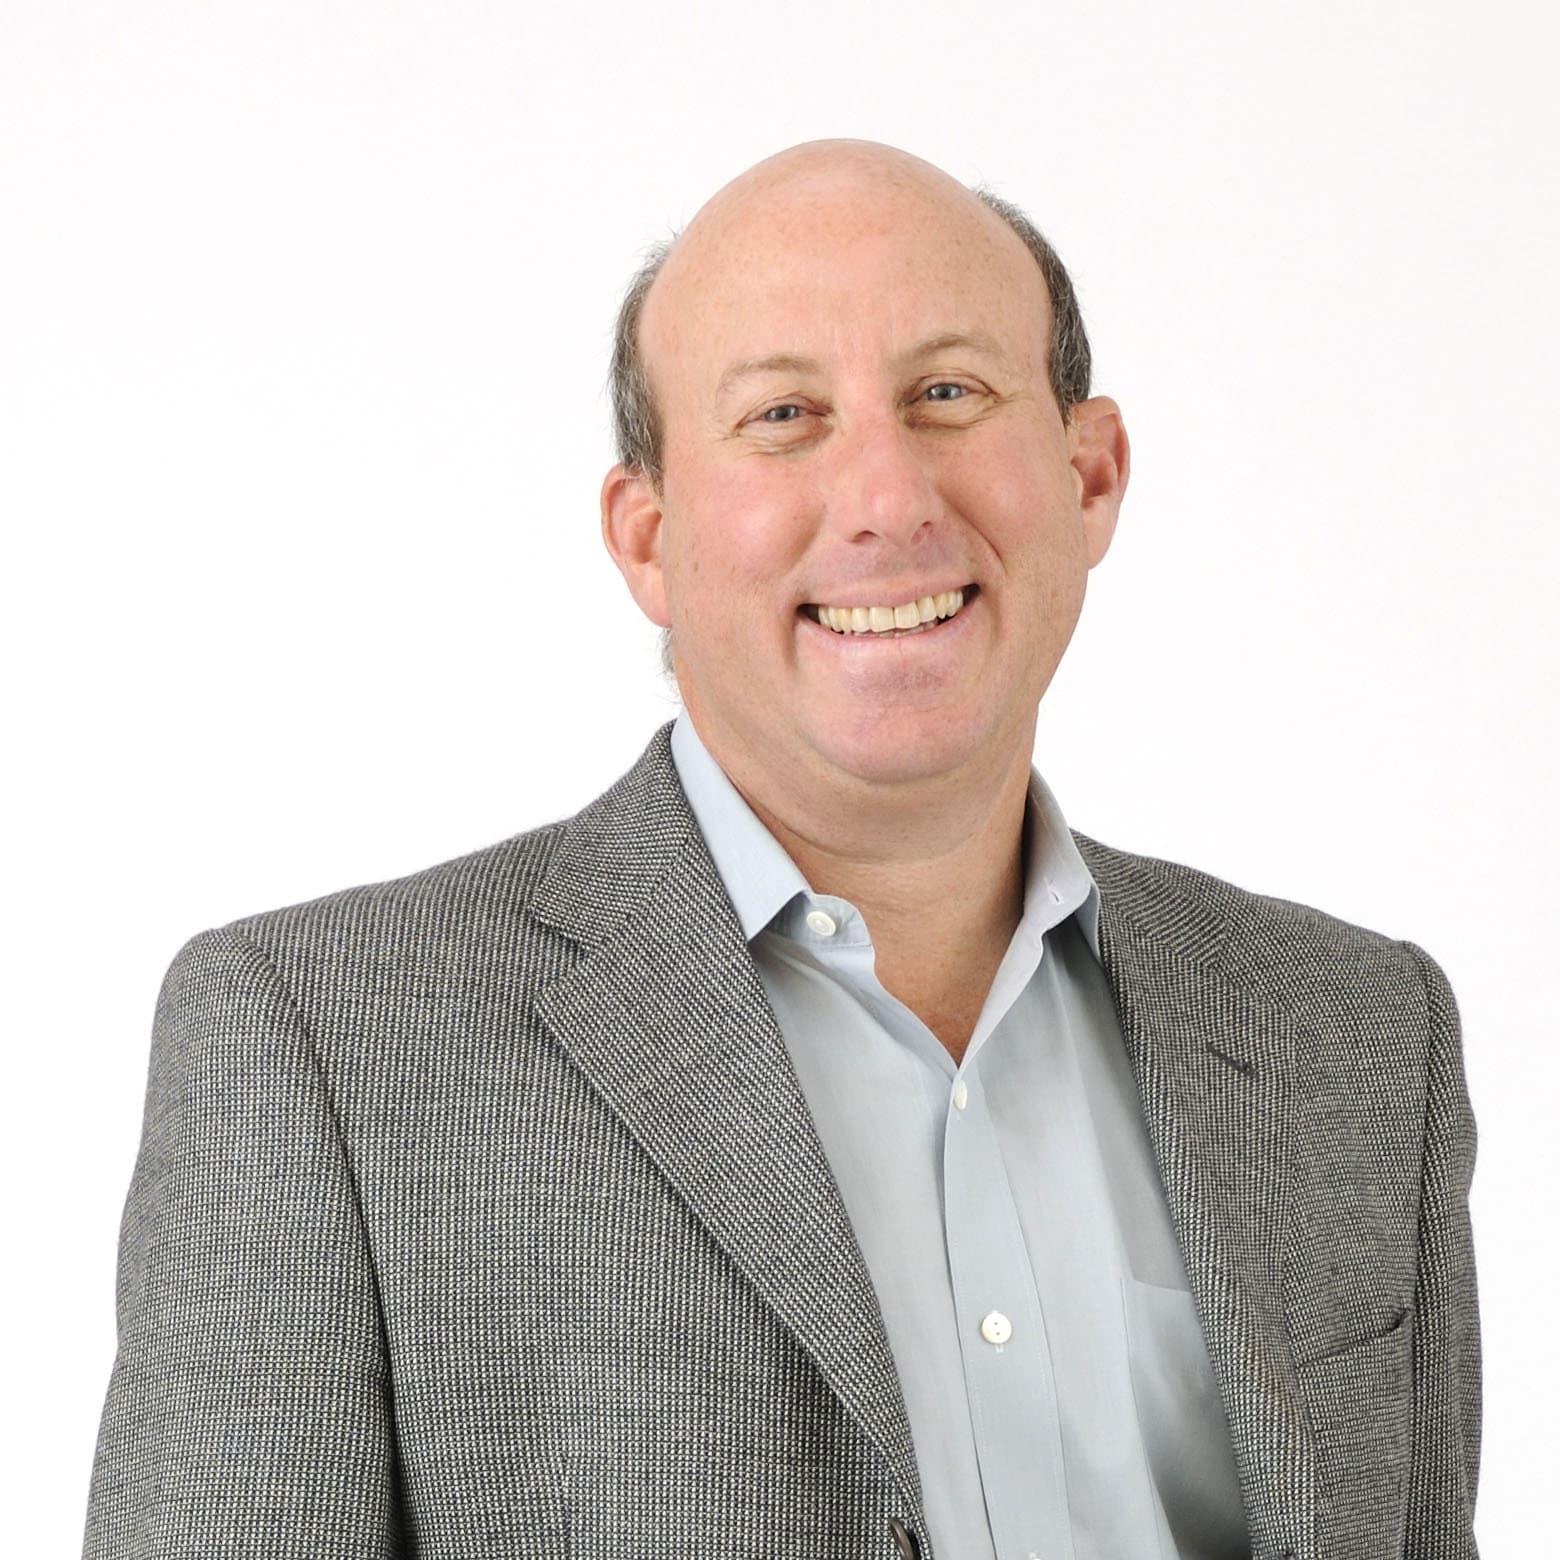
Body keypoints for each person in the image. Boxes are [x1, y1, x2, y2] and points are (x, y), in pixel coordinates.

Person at [83, 139, 1481, 1560]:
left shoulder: (1359, 1034)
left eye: (949, 393)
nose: (889, 497)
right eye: (784, 416)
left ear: (1090, 474)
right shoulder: (322, 1046)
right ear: (648, 537)